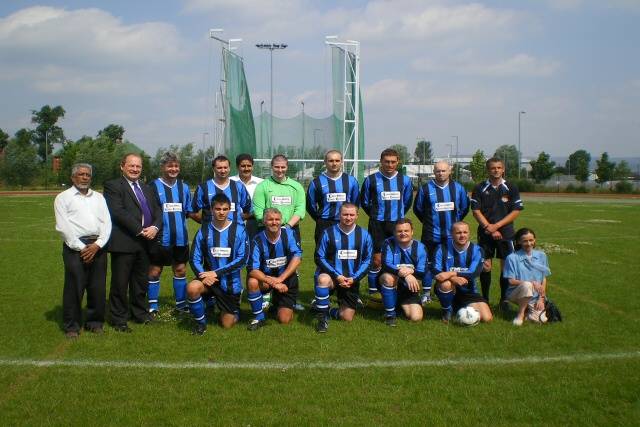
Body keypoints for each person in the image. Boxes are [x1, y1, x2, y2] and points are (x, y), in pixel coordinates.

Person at [104, 153, 162, 332]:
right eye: (131, 166)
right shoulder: (113, 186)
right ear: (122, 166)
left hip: (146, 243)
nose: (135, 169)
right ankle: (118, 318)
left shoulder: (147, 188)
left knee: (140, 282)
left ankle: (140, 313)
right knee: (120, 283)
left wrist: (155, 228)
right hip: (125, 242)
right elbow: (118, 212)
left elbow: (158, 211)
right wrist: (140, 230)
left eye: (138, 166)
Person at [54, 163, 112, 338]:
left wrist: (98, 245)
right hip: (75, 248)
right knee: (74, 287)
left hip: (98, 246)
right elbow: (63, 227)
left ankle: (95, 322)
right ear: (73, 177)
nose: (85, 177)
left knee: (97, 288)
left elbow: (107, 223)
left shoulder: (99, 198)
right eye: (81, 174)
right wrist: (82, 248)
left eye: (88, 175)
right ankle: (72, 326)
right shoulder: (63, 198)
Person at [187, 194, 249, 335]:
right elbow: (194, 259)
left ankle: (234, 310)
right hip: (209, 280)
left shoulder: (239, 230)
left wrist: (216, 273)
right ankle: (200, 324)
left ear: (229, 210)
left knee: (227, 324)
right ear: (211, 209)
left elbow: (242, 259)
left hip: (229, 283)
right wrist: (203, 276)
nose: (221, 212)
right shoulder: (203, 230)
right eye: (218, 209)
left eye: (225, 209)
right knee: (192, 288)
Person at [252, 154, 306, 311]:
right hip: (268, 229)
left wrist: (287, 226)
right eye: (276, 167)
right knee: (266, 262)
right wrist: (271, 225)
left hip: (290, 229)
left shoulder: (296, 186)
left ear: (287, 167)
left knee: (291, 263)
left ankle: (291, 298)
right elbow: (258, 211)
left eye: (283, 167)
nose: (280, 170)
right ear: (272, 167)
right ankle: (266, 294)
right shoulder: (263, 186)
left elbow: (300, 209)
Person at [413, 160, 469, 304]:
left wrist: (454, 225)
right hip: (431, 234)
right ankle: (426, 292)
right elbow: (418, 209)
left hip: (452, 236)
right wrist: (429, 223)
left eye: (444, 170)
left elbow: (464, 208)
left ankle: (444, 289)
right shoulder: (425, 189)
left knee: (450, 265)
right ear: (434, 172)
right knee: (429, 264)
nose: (441, 173)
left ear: (450, 171)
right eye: (438, 171)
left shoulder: (458, 188)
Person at [470, 157, 523, 310]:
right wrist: (489, 227)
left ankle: (504, 300)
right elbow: (475, 211)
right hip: (485, 232)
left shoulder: (511, 187)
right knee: (486, 266)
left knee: (506, 267)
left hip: (506, 233)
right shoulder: (480, 188)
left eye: (499, 167)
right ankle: (485, 298)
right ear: (488, 170)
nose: (496, 170)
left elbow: (516, 210)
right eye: (493, 168)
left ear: (503, 169)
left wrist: (497, 226)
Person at [360, 148, 413, 295]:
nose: (390, 164)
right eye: (387, 162)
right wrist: (375, 214)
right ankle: (373, 292)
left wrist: (399, 215)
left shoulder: (405, 180)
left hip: (398, 224)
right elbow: (364, 202)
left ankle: (394, 289)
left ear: (398, 162)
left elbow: (407, 201)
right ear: (381, 162)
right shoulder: (371, 180)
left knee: (398, 257)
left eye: (393, 162)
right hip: (378, 224)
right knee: (377, 260)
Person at [313, 203, 373, 333]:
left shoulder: (364, 235)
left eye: (352, 215)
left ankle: (325, 309)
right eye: (345, 214)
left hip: (351, 279)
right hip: (333, 277)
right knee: (323, 279)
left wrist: (354, 278)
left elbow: (368, 261)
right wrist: (337, 276)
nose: (348, 217)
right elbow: (319, 257)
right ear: (339, 215)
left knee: (346, 317)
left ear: (357, 215)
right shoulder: (328, 233)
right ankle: (322, 319)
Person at [147, 152, 193, 315]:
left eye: (176, 166)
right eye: (170, 166)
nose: (173, 169)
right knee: (154, 271)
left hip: (180, 238)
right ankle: (152, 306)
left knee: (180, 270)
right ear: (162, 167)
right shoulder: (152, 186)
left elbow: (188, 210)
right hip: (159, 238)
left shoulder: (184, 187)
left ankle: (181, 304)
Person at [246, 208, 302, 331]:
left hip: (286, 278)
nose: (274, 222)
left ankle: (276, 304)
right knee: (252, 281)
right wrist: (274, 283)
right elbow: (252, 269)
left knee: (284, 320)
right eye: (270, 219)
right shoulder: (257, 240)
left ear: (281, 221)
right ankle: (259, 317)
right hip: (266, 278)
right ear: (264, 222)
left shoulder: (289, 234)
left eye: (277, 219)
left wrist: (281, 279)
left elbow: (297, 257)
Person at [432, 222, 493, 324]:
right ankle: (447, 310)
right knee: (445, 283)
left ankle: (458, 307)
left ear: (469, 233)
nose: (462, 235)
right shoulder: (441, 248)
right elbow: (435, 270)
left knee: (487, 319)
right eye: (458, 233)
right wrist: (452, 279)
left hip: (469, 290)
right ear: (452, 234)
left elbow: (474, 272)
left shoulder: (477, 250)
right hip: (449, 287)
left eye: (465, 232)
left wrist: (451, 274)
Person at [378, 218, 428, 326]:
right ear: (394, 232)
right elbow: (386, 265)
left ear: (412, 232)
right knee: (388, 277)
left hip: (409, 288)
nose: (403, 233)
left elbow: (423, 272)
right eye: (399, 231)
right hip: (392, 282)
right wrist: (405, 274)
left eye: (406, 231)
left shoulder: (420, 247)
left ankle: (396, 304)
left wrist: (411, 272)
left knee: (416, 318)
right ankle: (390, 315)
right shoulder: (388, 243)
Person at [306, 150, 360, 245]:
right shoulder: (316, 182)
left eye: (337, 160)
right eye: (331, 161)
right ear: (325, 162)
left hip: (345, 223)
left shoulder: (351, 181)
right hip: (324, 224)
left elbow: (355, 203)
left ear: (342, 162)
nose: (334, 163)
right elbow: (310, 205)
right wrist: (320, 219)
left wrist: (348, 217)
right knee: (322, 254)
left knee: (344, 253)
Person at [503, 228, 551, 326]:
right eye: (525, 241)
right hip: (516, 293)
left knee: (541, 320)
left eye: (531, 240)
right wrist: (532, 283)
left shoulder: (542, 256)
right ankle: (520, 314)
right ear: (519, 242)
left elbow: (544, 279)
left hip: (535, 296)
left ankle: (527, 313)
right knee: (527, 285)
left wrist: (541, 299)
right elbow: (511, 281)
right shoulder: (512, 258)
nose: (528, 243)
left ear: (535, 240)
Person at [192, 155, 252, 225]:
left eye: (225, 167)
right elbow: (193, 212)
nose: (223, 171)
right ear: (213, 169)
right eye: (219, 168)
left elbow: (249, 210)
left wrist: (238, 220)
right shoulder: (203, 187)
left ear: (229, 168)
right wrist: (206, 224)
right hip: (212, 233)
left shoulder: (239, 186)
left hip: (235, 234)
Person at [230, 153, 264, 240]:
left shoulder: (261, 183)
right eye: (243, 166)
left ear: (252, 167)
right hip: (233, 222)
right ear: (237, 167)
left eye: (249, 166)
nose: (246, 168)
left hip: (255, 222)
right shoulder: (229, 182)